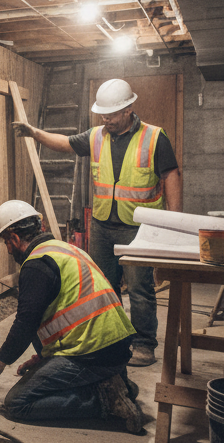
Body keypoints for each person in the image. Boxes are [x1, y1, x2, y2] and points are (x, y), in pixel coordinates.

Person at [11, 78, 181, 366]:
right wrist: (34, 133)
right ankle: (112, 340)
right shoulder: (96, 135)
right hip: (103, 225)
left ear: (128, 109)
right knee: (105, 286)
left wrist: (172, 225)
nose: (106, 119)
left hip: (138, 228)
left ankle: (143, 343)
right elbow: (65, 143)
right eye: (102, 113)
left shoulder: (154, 138)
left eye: (112, 114)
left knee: (140, 288)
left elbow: (171, 177)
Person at [0, 200, 142, 433]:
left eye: (6, 241)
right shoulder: (65, 250)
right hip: (117, 347)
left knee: (17, 403)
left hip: (92, 354)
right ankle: (118, 385)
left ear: (14, 238)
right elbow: (62, 315)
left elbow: (25, 324)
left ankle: (106, 401)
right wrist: (45, 359)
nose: (7, 249)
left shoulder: (36, 264)